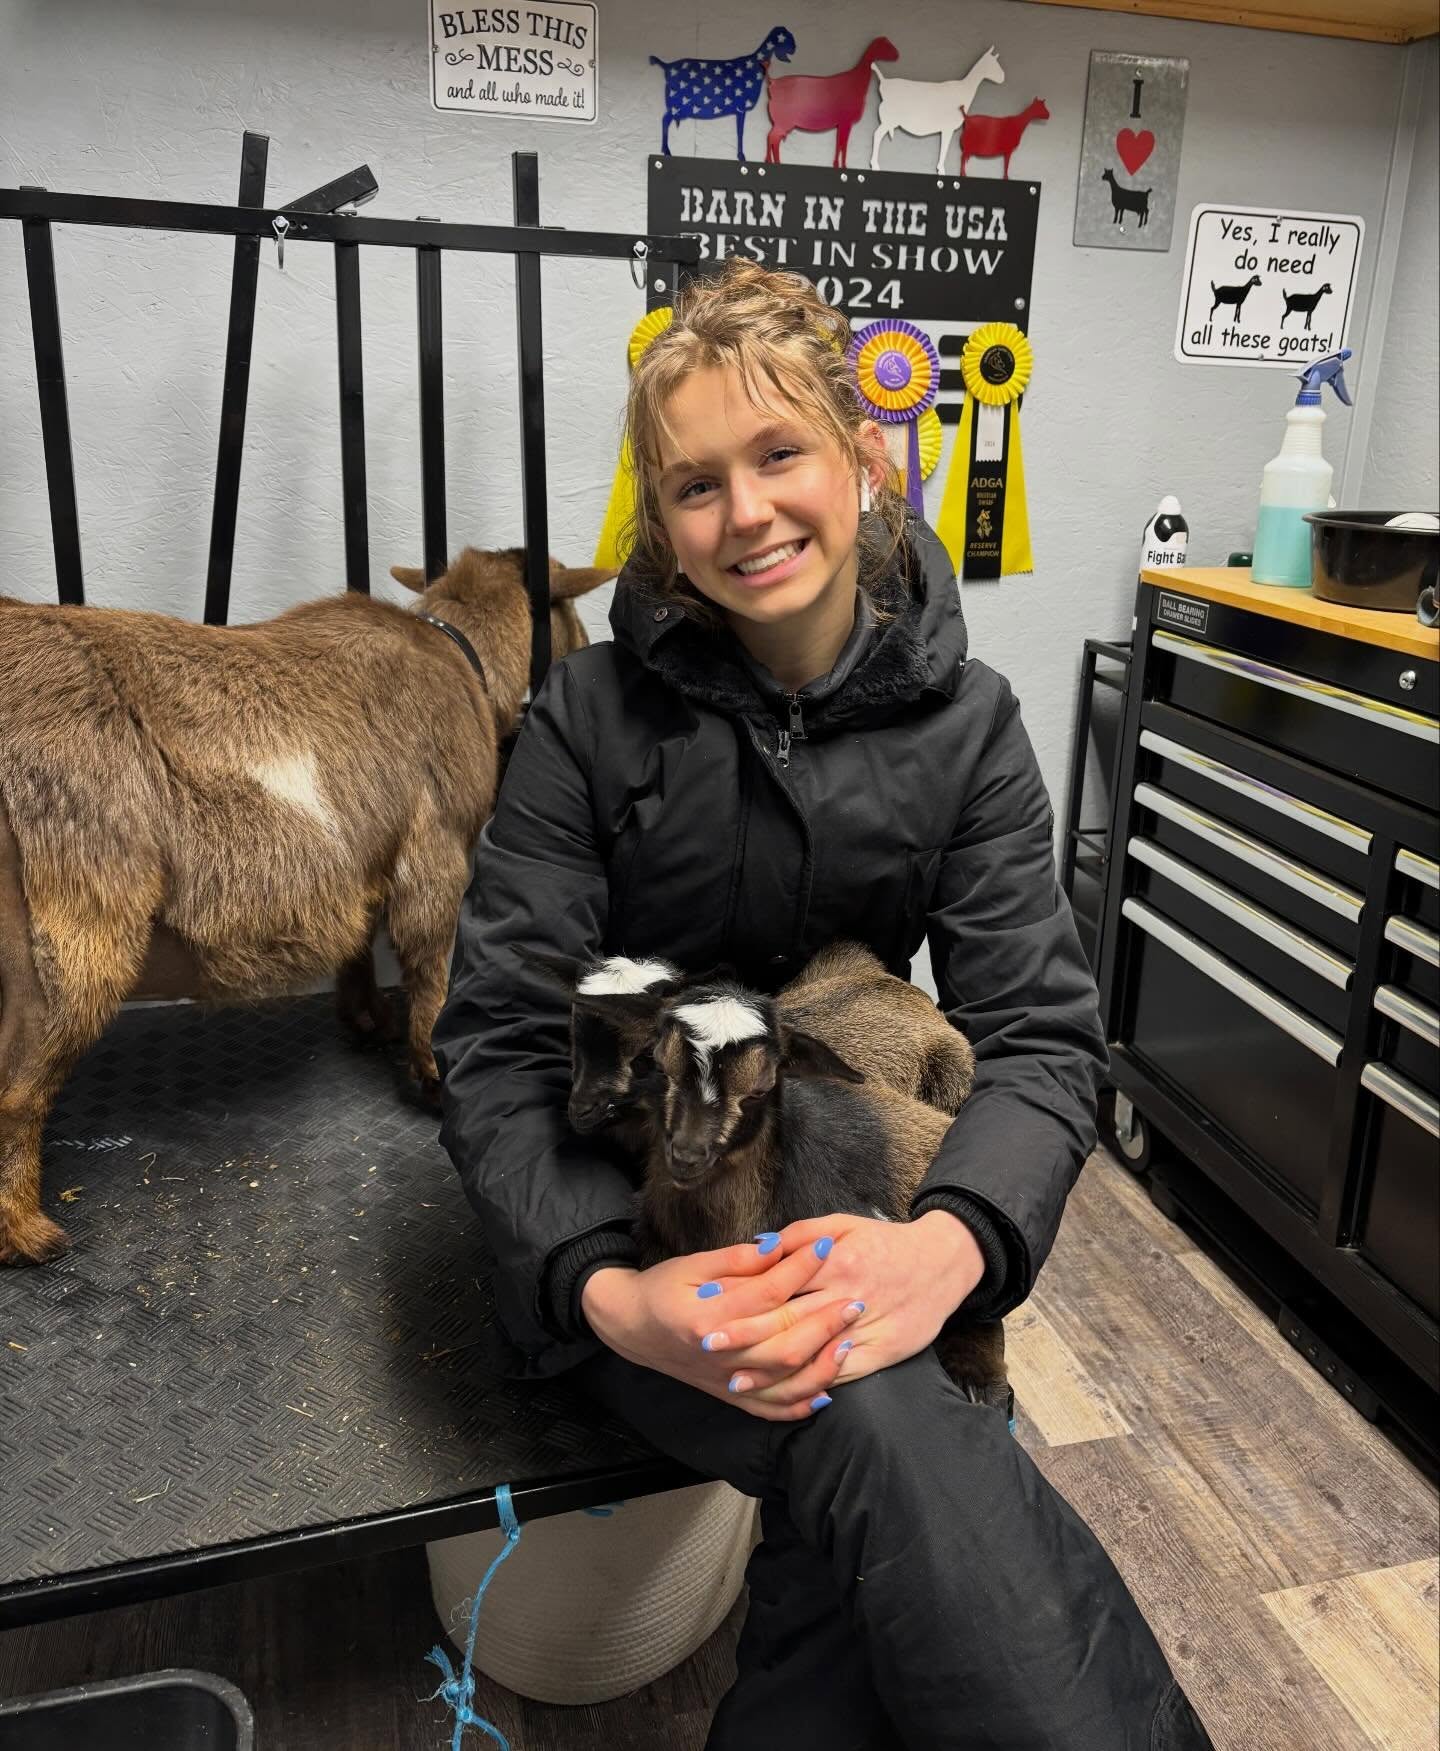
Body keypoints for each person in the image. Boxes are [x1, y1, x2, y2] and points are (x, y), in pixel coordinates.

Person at [433, 260, 1212, 1750]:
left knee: (865, 1437)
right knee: (886, 1421)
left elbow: (1043, 1041)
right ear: (662, 524)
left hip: (849, 1203)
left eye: (780, 454)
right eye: (696, 485)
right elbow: (500, 1046)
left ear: (869, 459)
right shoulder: (585, 720)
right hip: (637, 1230)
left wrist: (949, 1244)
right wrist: (611, 1295)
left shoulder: (969, 730)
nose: (747, 515)